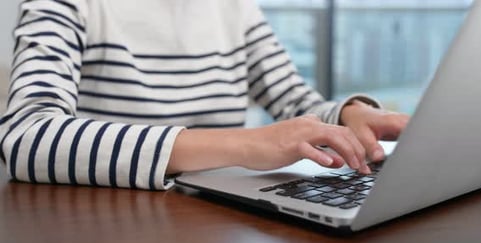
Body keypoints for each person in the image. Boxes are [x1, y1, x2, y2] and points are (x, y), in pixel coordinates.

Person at [0, 0, 409, 190]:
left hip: (219, 222)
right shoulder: (62, 5)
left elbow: (297, 104)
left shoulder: (235, 9)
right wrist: (245, 145)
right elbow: (24, 138)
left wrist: (348, 115)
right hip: (107, 224)